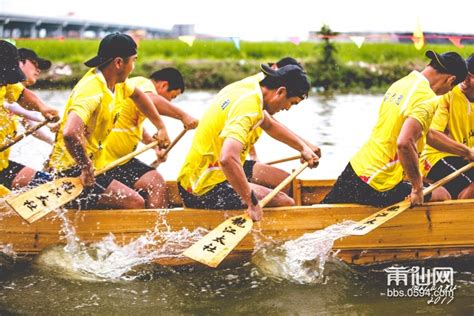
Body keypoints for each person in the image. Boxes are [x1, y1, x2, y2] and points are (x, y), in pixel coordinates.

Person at [322, 50, 468, 207]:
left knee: (323, 211)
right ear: (451, 80)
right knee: (443, 195)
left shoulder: (402, 83)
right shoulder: (427, 99)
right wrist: (417, 189)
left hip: (357, 168)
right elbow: (405, 143)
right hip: (380, 182)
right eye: (452, 88)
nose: (447, 92)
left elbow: (427, 134)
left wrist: (467, 152)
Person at [177, 64, 319, 221]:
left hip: (202, 175)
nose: (287, 108)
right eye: (292, 103)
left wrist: (303, 148)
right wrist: (251, 203)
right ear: (280, 91)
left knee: (285, 186)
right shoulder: (248, 108)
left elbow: (269, 124)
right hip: (201, 188)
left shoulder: (255, 84)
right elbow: (228, 159)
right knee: (285, 202)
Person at [46, 32, 170, 210]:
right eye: (133, 60)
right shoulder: (91, 89)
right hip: (72, 168)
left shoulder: (118, 83)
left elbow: (138, 95)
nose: (133, 67)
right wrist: (86, 169)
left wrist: (161, 126)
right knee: (134, 202)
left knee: (155, 182)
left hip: (99, 163)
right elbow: (70, 133)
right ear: (119, 62)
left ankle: (155, 236)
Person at [96, 67, 198, 208]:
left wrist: (154, 145)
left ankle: (155, 228)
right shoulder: (143, 83)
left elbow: (133, 126)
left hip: (122, 161)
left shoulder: (136, 103)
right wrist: (183, 116)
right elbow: (150, 99)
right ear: (163, 85)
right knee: (140, 197)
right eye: (172, 97)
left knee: (155, 181)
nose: (170, 103)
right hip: (103, 163)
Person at [246, 57, 320, 194]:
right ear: (274, 67)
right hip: (222, 168)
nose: (287, 108)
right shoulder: (251, 98)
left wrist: (305, 146)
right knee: (285, 197)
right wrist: (254, 157)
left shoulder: (261, 95)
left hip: (237, 160)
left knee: (290, 185)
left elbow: (271, 124)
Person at [0, 40, 59, 191]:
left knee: (47, 186)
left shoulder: (5, 83)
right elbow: (12, 107)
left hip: (3, 163)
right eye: (34, 64)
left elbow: (21, 95)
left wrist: (43, 108)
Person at [420, 54, 474, 199]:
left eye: (472, 76)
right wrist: (467, 152)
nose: (465, 80)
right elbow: (433, 135)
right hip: (434, 157)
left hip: (464, 158)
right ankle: (459, 219)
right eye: (466, 75)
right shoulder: (448, 94)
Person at [5, 48, 56, 145]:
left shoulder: (23, 101)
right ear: (20, 63)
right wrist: (45, 119)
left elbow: (30, 124)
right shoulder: (4, 83)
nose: (38, 70)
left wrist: (53, 142)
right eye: (35, 64)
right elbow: (9, 105)